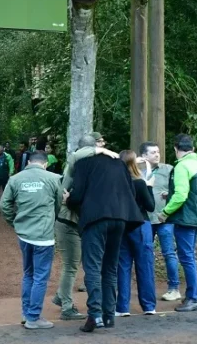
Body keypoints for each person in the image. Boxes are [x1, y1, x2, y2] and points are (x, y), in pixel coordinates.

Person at [64, 135, 143, 333]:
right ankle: (109, 316)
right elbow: (131, 191)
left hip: (95, 219)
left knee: (92, 267)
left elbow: (79, 194)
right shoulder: (118, 163)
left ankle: (95, 315)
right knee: (110, 267)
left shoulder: (84, 163)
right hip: (121, 219)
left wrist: (68, 199)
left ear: (82, 150)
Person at [52, 132, 117, 321]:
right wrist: (102, 150)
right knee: (71, 266)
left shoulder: (86, 169)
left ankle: (60, 296)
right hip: (67, 221)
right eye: (96, 147)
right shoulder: (76, 161)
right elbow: (79, 154)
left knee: (75, 262)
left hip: (76, 221)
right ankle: (66, 307)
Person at [0, 152, 62, 330]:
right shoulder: (54, 178)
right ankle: (33, 317)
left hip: (24, 234)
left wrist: (14, 222)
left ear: (28, 162)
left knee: (28, 274)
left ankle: (27, 313)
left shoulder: (15, 179)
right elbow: (58, 205)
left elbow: (4, 205)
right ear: (45, 164)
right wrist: (52, 219)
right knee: (40, 277)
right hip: (44, 236)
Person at [158, 134, 197, 312]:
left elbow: (181, 195)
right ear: (192, 149)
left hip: (184, 219)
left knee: (187, 258)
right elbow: (193, 193)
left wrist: (165, 212)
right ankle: (191, 296)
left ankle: (193, 298)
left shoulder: (181, 166)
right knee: (189, 257)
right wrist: (169, 195)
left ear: (175, 149)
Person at [115, 150, 157, 317]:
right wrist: (149, 187)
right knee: (144, 265)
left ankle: (122, 307)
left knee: (123, 265)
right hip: (141, 224)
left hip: (122, 225)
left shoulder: (116, 184)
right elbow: (151, 206)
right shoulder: (139, 183)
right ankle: (148, 305)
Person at [139, 141, 180, 301]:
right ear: (144, 156)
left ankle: (174, 288)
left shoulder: (168, 169)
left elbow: (179, 189)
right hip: (145, 219)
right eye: (152, 152)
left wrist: (168, 193)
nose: (157, 154)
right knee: (145, 253)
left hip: (164, 218)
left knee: (169, 253)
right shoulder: (138, 170)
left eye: (158, 152)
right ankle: (147, 289)